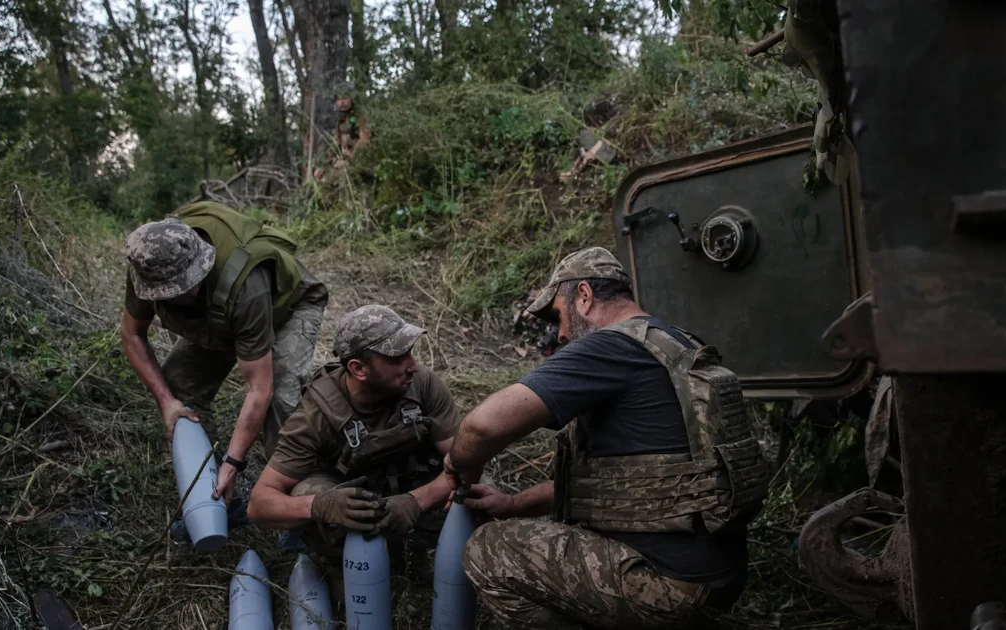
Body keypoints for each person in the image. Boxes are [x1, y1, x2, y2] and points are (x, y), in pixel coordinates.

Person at [443, 247, 771, 629]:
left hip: (668, 587)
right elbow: (633, 482)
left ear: (584, 296)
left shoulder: (610, 347)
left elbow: (482, 426)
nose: (562, 334)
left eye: (559, 317)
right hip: (721, 578)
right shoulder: (678, 346)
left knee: (489, 550)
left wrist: (459, 462)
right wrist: (514, 502)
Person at [120, 201, 328, 543]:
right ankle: (216, 502)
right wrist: (167, 403)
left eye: (193, 280)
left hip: (288, 306)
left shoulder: (247, 284)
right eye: (178, 290)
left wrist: (235, 461)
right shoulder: (148, 268)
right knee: (178, 387)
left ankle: (295, 510)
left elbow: (259, 389)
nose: (192, 289)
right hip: (222, 318)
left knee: (282, 402)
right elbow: (131, 333)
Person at [246, 304, 463, 565]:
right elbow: (259, 504)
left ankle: (429, 555)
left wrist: (415, 502)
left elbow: (464, 460)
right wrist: (321, 506)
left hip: (413, 487)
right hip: (354, 505)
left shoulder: (423, 385)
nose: (413, 366)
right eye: (396, 357)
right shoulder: (315, 417)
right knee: (307, 490)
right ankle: (347, 566)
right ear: (358, 369)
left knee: (479, 485)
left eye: (410, 352)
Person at [333, 95, 370, 169]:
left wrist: (351, 159)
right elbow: (336, 143)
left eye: (345, 97)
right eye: (339, 99)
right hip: (344, 161)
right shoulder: (340, 119)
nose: (342, 102)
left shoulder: (361, 116)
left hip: (360, 162)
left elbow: (365, 139)